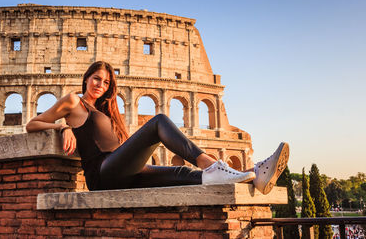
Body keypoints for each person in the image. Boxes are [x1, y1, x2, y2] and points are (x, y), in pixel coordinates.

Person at [26, 61, 289, 194]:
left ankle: (252, 176)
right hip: (102, 173)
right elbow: (32, 124)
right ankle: (211, 163)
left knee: (180, 173)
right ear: (87, 78)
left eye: (106, 83)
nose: (100, 85)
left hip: (122, 170)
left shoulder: (105, 110)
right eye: (97, 79)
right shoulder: (73, 101)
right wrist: (63, 128)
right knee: (159, 122)